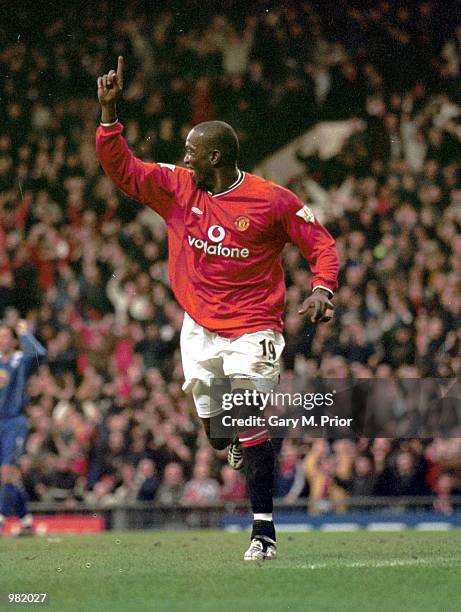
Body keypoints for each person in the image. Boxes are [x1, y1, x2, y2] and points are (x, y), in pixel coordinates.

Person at [96, 57, 339, 560]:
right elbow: (126, 170)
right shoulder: (178, 189)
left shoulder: (271, 200)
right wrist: (108, 116)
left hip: (253, 328)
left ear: (216, 157)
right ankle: (235, 442)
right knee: (214, 432)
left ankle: (263, 533)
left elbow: (320, 243)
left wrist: (322, 288)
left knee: (249, 416)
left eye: (191, 154)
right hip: (199, 326)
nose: (183, 161)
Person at [0, 320, 47, 535]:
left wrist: (26, 334)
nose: (2, 340)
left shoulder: (20, 360)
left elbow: (40, 354)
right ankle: (26, 521)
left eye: (6, 336)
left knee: (6, 471)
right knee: (11, 476)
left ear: (13, 339)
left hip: (14, 422)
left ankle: (0, 518)